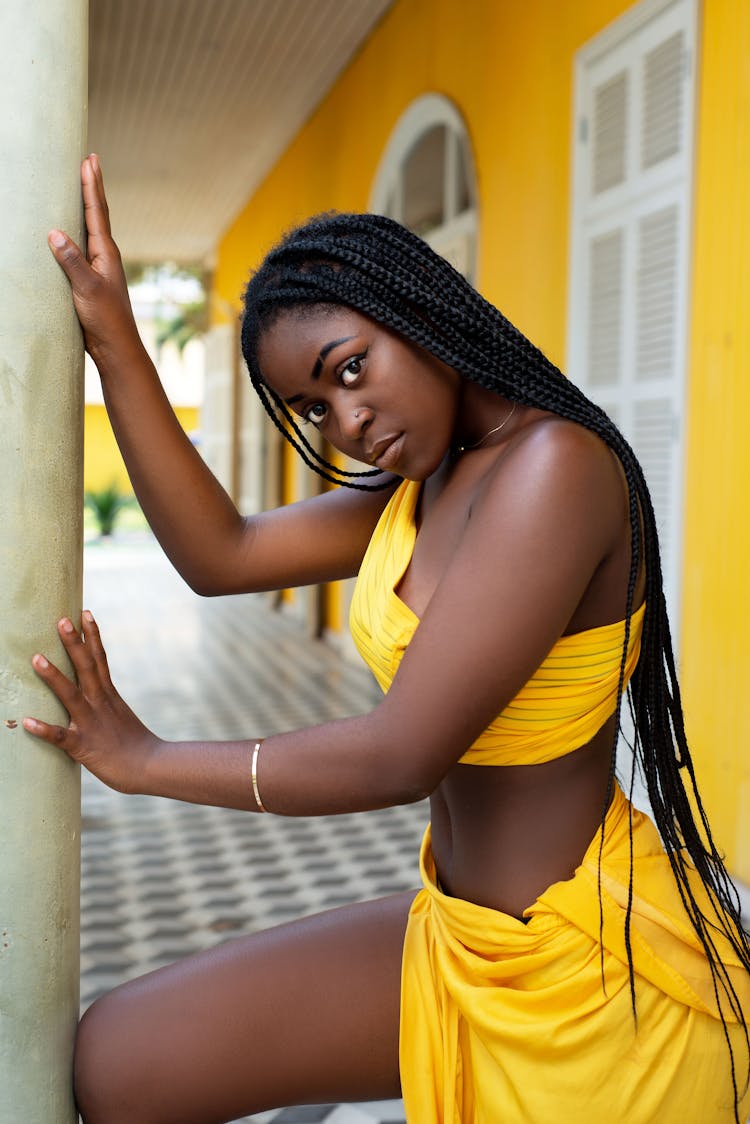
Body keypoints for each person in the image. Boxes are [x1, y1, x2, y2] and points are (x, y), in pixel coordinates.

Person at [25, 153, 750, 1124]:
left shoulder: (557, 470)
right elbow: (222, 550)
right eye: (317, 408)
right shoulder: (424, 487)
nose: (349, 422)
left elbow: (401, 753)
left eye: (351, 369)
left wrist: (149, 759)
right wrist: (115, 341)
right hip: (454, 930)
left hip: (580, 966)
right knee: (118, 1060)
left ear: (420, 309)